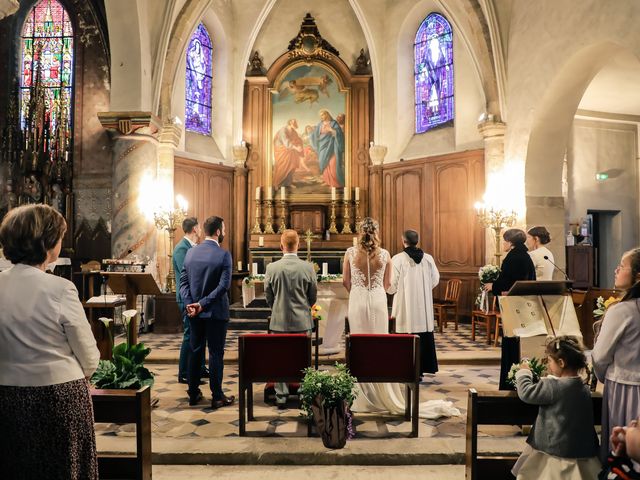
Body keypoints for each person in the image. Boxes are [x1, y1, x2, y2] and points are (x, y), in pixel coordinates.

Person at [0, 204, 100, 479]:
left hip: (6, 396)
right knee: (62, 468)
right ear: (47, 243)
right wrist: (86, 374)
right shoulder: (60, 288)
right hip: (58, 397)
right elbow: (88, 354)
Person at [512, 336, 601, 479]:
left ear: (561, 362)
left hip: (554, 451)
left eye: (549, 361)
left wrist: (524, 372)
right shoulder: (583, 388)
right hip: (581, 449)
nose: (548, 365)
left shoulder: (553, 387)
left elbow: (526, 393)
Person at [343, 217, 405, 414]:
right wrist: (375, 289)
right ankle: (382, 392)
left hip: (357, 301)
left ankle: (361, 395)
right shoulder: (386, 254)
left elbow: (346, 281)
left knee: (359, 345)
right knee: (379, 344)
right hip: (378, 300)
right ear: (377, 232)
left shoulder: (350, 253)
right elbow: (388, 285)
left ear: (360, 232)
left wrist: (358, 291)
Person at [179, 216, 235, 409]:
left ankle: (193, 394)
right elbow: (223, 287)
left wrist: (190, 304)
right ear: (218, 232)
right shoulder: (224, 255)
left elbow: (183, 283)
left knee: (195, 352)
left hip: (194, 313)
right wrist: (202, 305)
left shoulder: (191, 254)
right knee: (216, 353)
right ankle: (217, 396)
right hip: (215, 313)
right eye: (224, 229)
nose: (224, 232)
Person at [592, 247, 640, 462]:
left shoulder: (622, 310)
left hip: (624, 388)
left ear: (637, 276)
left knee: (622, 449)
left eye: (622, 266)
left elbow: (600, 356)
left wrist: (602, 376)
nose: (616, 270)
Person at [264, 229, 317, 408]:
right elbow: (313, 297)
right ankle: (303, 392)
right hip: (302, 321)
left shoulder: (272, 268)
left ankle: (281, 395)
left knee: (279, 359)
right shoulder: (308, 267)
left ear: (281, 246)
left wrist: (278, 308)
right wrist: (303, 308)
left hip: (278, 321)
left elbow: (268, 296)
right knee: (303, 358)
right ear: (299, 245)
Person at [483, 228, 536, 390]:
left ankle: (510, 382)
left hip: (513, 308)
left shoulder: (513, 258)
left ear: (511, 242)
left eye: (505, 241)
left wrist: (493, 285)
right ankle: (520, 379)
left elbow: (508, 283)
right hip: (523, 307)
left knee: (511, 345)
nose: (503, 244)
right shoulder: (525, 256)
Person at [387, 229, 440, 375]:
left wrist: (390, 290)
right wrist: (423, 290)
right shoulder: (428, 258)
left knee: (405, 332)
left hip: (405, 307)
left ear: (403, 241)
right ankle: (421, 370)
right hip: (423, 308)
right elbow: (435, 279)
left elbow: (392, 284)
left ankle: (404, 369)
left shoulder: (397, 259)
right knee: (423, 335)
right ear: (417, 241)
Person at [174, 217, 207, 384]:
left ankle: (199, 368)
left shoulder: (193, 247)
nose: (200, 230)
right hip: (186, 297)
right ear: (194, 229)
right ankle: (185, 372)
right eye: (199, 227)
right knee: (189, 335)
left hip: (196, 297)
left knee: (199, 334)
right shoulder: (181, 249)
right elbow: (186, 273)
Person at [310, 109, 345, 188]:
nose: (321, 117)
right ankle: (327, 180)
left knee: (333, 164)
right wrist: (312, 136)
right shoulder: (320, 124)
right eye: (320, 115)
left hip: (332, 146)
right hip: (322, 146)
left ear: (327, 114)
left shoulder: (334, 123)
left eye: (323, 115)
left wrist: (331, 130)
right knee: (324, 164)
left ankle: (335, 182)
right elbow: (315, 135)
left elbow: (339, 134)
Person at [273, 119, 304, 188]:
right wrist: (296, 148)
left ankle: (288, 183)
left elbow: (298, 139)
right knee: (283, 166)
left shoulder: (293, 131)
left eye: (296, 123)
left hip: (291, 151)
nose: (296, 124)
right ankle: (278, 183)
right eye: (294, 123)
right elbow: (286, 143)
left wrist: (299, 145)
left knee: (291, 166)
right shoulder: (283, 130)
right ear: (290, 123)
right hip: (282, 151)